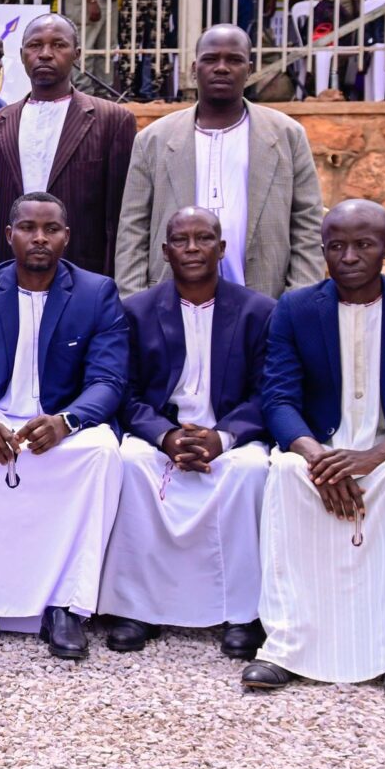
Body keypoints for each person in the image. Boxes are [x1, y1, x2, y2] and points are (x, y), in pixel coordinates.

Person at [243, 201, 385, 700]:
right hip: (318, 450)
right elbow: (277, 397)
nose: (349, 255)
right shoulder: (295, 308)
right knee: (282, 471)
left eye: (364, 244)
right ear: (323, 251)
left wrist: (375, 457)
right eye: (336, 245)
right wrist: (313, 453)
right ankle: (284, 646)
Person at [0, 193, 130, 661]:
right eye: (28, 227)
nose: (39, 238)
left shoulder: (96, 293)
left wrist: (69, 422)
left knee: (100, 455)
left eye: (50, 229)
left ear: (66, 237)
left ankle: (65, 606)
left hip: (63, 419)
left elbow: (109, 379)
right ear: (9, 234)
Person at [94, 208, 274, 659]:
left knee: (253, 471)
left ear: (222, 247)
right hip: (160, 436)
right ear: (165, 251)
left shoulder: (259, 311)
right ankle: (137, 608)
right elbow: (125, 391)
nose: (192, 248)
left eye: (204, 238)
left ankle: (242, 614)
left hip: (231, 439)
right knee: (131, 463)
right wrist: (165, 436)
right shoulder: (136, 310)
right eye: (181, 240)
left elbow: (268, 392)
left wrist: (224, 437)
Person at [117, 27, 324, 298]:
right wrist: (134, 302)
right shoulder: (154, 139)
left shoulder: (286, 135)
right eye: (211, 59)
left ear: (249, 69)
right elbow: (133, 228)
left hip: (266, 301)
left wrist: (298, 301)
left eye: (234, 60)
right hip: (171, 304)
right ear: (195, 68)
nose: (222, 68)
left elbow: (307, 224)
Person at [0, 14, 135, 277]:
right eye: (35, 46)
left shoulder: (112, 120)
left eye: (58, 45)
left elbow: (119, 217)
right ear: (22, 55)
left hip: (83, 274)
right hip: (8, 273)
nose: (45, 54)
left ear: (77, 54)